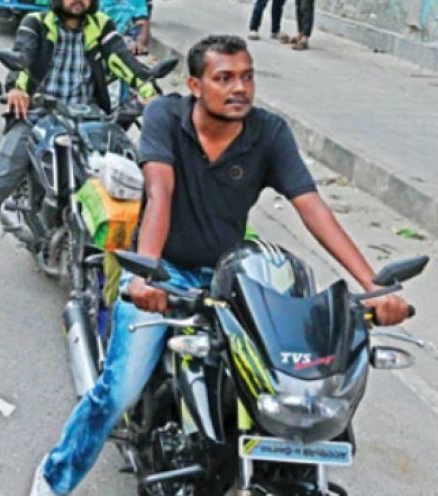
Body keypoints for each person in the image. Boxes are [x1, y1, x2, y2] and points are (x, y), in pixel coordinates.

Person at [28, 34, 413, 495]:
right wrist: (147, 272)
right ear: (195, 84)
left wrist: (373, 285)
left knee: (275, 381)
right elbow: (161, 193)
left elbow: (312, 208)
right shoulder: (165, 118)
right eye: (224, 78)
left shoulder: (269, 132)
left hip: (232, 278)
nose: (240, 89)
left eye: (247, 77)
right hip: (163, 270)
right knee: (119, 392)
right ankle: (54, 479)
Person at [0, 0, 155, 280]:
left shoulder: (100, 25)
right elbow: (23, 57)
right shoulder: (37, 22)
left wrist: (148, 90)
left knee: (128, 174)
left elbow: (123, 60)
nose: (78, 0)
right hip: (39, 113)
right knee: (1, 179)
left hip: (87, 118)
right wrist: (19, 88)